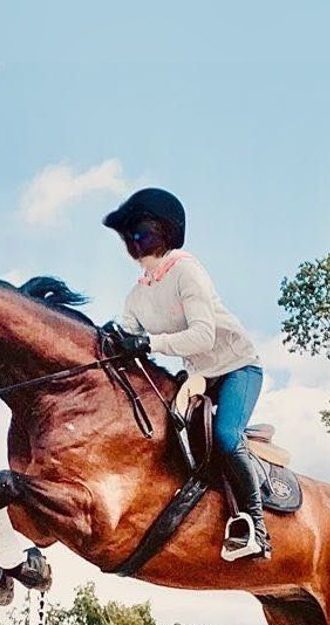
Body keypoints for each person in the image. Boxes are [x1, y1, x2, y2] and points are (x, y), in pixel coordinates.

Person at [102, 187, 270, 561]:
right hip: (201, 375)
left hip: (237, 367)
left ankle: (256, 528)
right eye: (129, 235)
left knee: (226, 436)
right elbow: (123, 332)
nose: (133, 240)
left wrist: (148, 343)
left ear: (164, 231)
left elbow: (202, 335)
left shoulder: (186, 271)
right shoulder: (137, 294)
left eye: (140, 230)